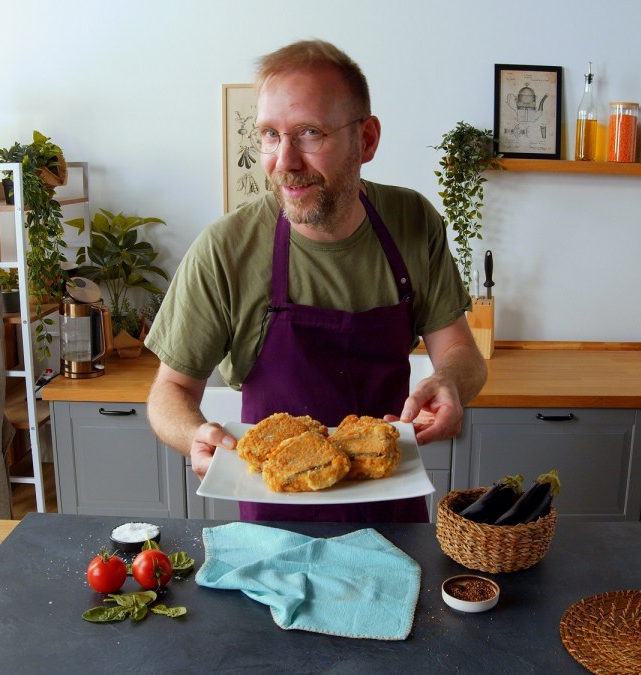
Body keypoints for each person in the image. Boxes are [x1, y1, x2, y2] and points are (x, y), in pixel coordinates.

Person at [145, 39, 487, 523]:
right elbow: (169, 392)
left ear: (366, 140)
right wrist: (194, 434)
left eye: (308, 133)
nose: (283, 162)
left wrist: (450, 381)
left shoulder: (413, 221)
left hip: (391, 507)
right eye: (269, 134)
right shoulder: (226, 248)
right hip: (274, 522)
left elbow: (460, 354)